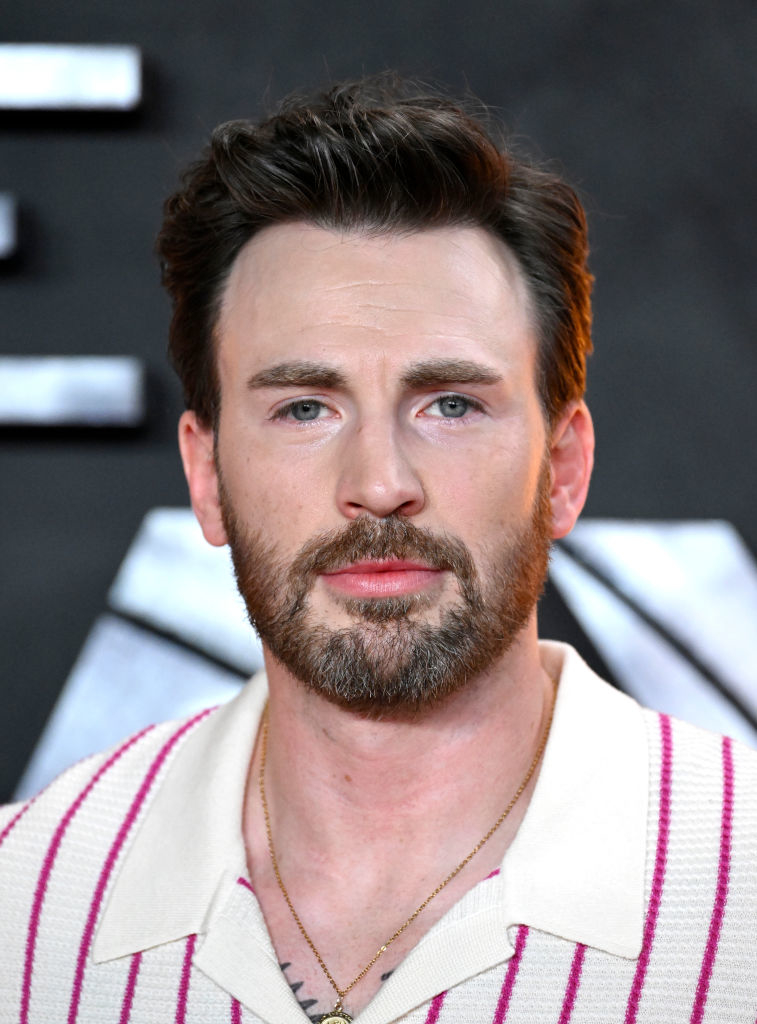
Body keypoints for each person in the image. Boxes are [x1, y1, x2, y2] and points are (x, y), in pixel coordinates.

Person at [1, 75, 755, 1024]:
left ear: (562, 469)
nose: (380, 479)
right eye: (304, 408)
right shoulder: (23, 898)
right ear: (206, 476)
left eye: (449, 404)